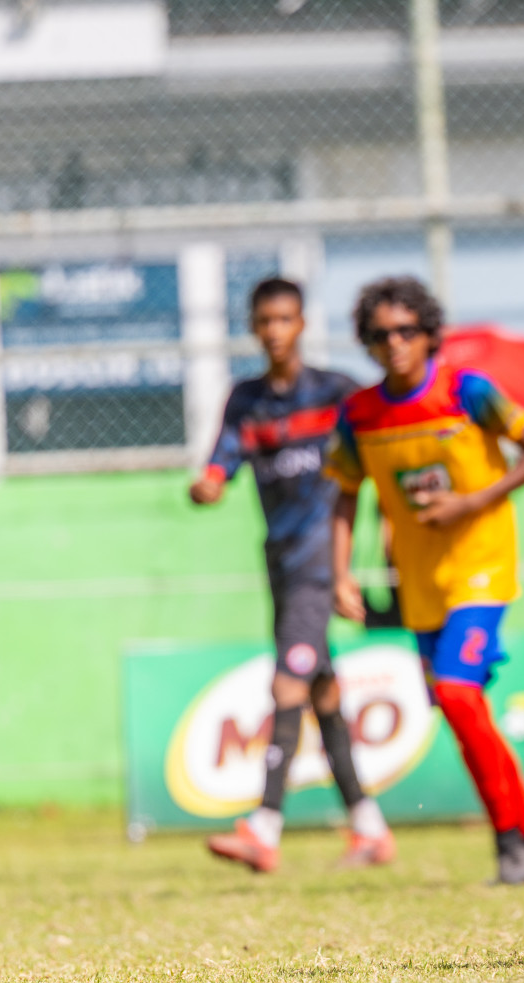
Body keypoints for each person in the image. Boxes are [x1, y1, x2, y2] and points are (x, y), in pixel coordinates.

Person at [326, 276, 524, 885]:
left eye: (406, 330)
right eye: (380, 335)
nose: (394, 343)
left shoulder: (468, 391)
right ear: (367, 343)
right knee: (464, 711)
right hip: (420, 585)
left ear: (430, 334)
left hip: (481, 569)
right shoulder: (360, 415)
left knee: (459, 695)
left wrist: (472, 503)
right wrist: (339, 573)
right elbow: (343, 496)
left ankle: (510, 843)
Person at [190, 277, 395, 873]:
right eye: (265, 321)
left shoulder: (337, 394)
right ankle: (369, 827)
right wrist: (207, 486)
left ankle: (265, 826)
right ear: (255, 328)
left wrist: (388, 532)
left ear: (302, 324)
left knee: (287, 684)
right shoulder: (245, 400)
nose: (275, 331)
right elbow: (220, 461)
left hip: (317, 564)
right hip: (278, 560)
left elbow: (382, 451)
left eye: (286, 319)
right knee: (324, 694)